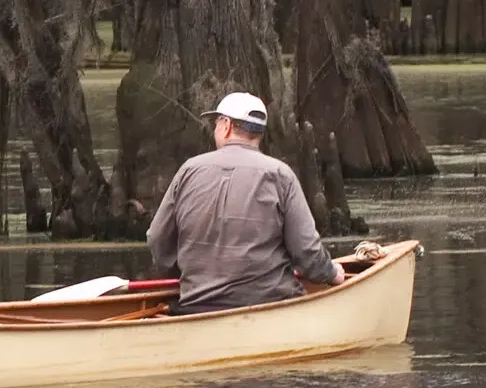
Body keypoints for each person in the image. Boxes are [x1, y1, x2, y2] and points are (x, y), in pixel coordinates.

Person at [145, 91, 345, 315]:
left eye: (216, 122)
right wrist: (331, 273)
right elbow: (307, 252)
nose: (215, 128)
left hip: (196, 305)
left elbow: (156, 238)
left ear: (226, 125)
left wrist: (185, 274)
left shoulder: (188, 170)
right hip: (271, 304)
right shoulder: (281, 175)